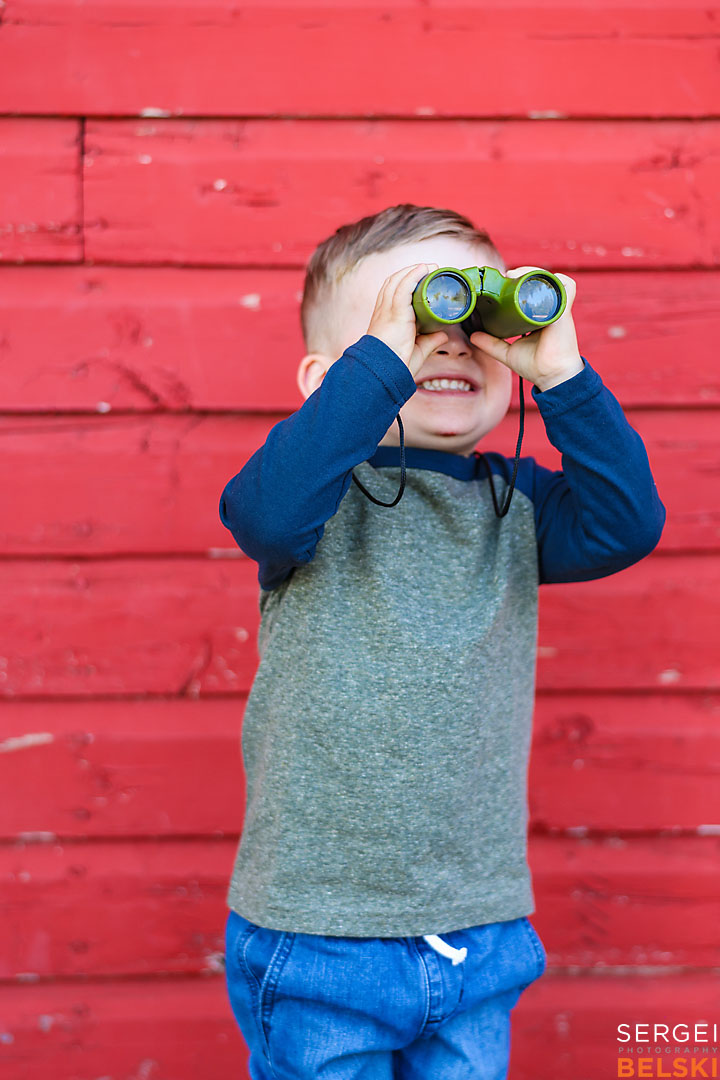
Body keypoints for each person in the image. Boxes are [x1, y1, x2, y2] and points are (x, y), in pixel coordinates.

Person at [218, 204, 665, 1079]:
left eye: (471, 322)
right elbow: (263, 509)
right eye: (417, 319)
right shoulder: (313, 504)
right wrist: (382, 363)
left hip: (478, 926)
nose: (450, 343)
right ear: (327, 377)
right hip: (320, 930)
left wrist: (561, 373)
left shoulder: (519, 507)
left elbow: (627, 525)